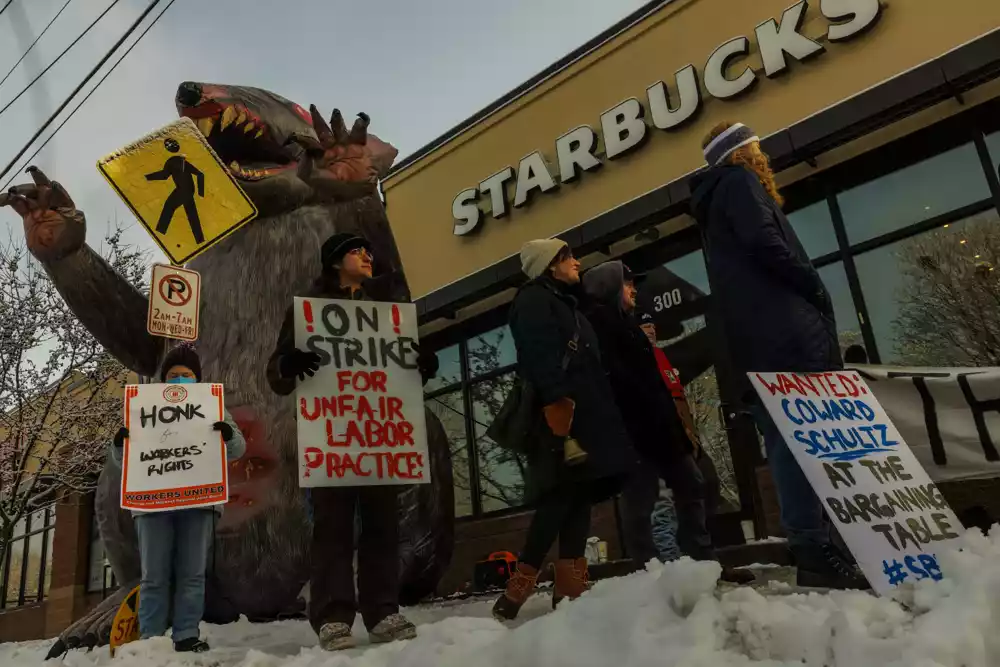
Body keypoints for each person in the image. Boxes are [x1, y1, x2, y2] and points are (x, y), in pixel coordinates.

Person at [690, 121, 867, 589]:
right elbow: (765, 244)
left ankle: (817, 544)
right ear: (743, 152)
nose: (762, 152)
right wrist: (812, 285)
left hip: (759, 340)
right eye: (756, 145)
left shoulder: (714, 201)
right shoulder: (739, 183)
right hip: (785, 334)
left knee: (789, 438)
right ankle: (815, 547)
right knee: (800, 439)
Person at [266, 233, 435, 651]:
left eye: (369, 250)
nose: (368, 256)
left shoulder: (386, 312)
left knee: (383, 524)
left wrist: (422, 364)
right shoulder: (307, 311)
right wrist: (289, 362)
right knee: (333, 530)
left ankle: (383, 609)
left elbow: (401, 367)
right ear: (335, 260)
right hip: (334, 437)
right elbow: (276, 374)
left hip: (378, 435)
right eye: (359, 251)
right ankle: (333, 616)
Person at [582, 261, 751, 584]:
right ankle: (652, 574)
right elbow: (620, 387)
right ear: (611, 287)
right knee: (642, 503)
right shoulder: (601, 329)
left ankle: (703, 564)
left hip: (662, 430)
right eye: (627, 284)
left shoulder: (628, 326)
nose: (634, 290)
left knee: (693, 486)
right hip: (635, 434)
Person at [493, 239, 636, 621]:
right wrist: (557, 403)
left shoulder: (564, 301)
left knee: (578, 494)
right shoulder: (534, 300)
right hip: (562, 415)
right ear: (549, 265)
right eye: (568, 257)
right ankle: (519, 585)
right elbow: (537, 353)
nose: (577, 262)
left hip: (583, 413)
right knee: (558, 498)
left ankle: (570, 583)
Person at [111, 344, 246, 652]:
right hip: (152, 506)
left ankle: (186, 634)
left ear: (196, 379)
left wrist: (228, 435)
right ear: (164, 378)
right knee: (154, 575)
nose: (180, 380)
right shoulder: (145, 409)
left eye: (186, 375)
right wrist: (119, 444)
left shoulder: (214, 408)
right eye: (174, 375)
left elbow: (238, 451)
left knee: (192, 573)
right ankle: (152, 640)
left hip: (199, 503)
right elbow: (127, 461)